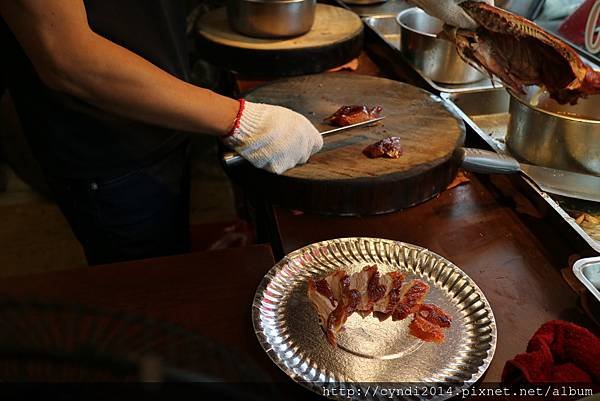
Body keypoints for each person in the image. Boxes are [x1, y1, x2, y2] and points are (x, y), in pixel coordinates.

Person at [0, 0, 486, 265]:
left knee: (172, 249)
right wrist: (241, 120)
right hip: (99, 143)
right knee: (149, 288)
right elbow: (68, 58)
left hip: (162, 110)